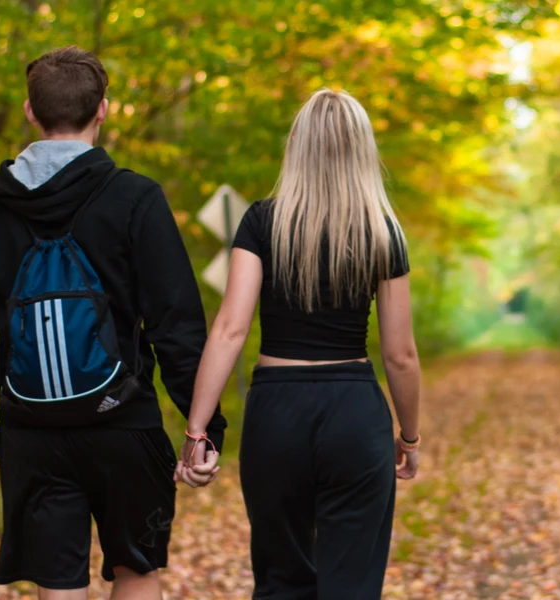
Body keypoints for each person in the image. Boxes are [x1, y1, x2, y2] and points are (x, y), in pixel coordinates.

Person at [0, 45, 227, 599]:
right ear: (103, 110)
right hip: (125, 425)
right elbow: (176, 328)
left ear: (30, 111)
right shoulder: (136, 199)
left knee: (58, 581)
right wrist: (203, 428)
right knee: (137, 569)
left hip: (31, 433)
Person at [175, 89, 423, 599]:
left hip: (277, 412)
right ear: (362, 149)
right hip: (355, 413)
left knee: (281, 580)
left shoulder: (263, 222)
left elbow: (230, 329)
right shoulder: (382, 230)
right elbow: (400, 354)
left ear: (296, 145)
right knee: (350, 586)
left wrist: (197, 429)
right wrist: (410, 437)